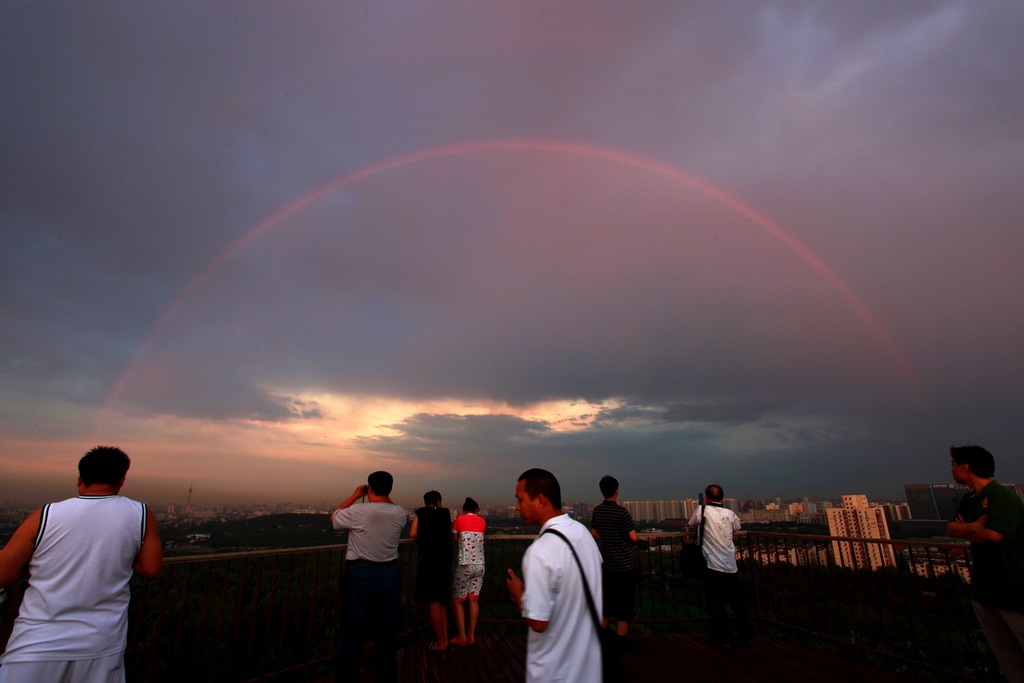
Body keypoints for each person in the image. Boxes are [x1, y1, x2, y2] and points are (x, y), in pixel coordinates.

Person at [0, 445, 163, 683]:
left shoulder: (46, 514)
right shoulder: (139, 513)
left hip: (37, 643)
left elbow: (3, 572)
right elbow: (150, 568)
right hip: (101, 644)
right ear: (122, 479)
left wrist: (31, 566)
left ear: (80, 478)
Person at [505, 469, 603, 683]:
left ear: (540, 500)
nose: (517, 507)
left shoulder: (540, 551)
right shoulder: (582, 533)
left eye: (520, 500)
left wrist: (519, 596)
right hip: (591, 671)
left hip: (554, 674)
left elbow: (539, 623)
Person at [947, 445, 1024, 682]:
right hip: (985, 592)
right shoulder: (970, 500)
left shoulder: (1002, 496)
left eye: (953, 464)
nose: (951, 469)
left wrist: (965, 531)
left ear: (965, 466)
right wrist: (973, 528)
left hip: (1015, 592)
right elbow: (951, 528)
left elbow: (993, 535)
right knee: (1009, 662)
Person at [331, 471, 407, 683]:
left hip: (360, 574)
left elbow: (334, 518)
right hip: (390, 574)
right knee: (386, 633)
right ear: (390, 490)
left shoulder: (359, 510)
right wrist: (382, 495)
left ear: (369, 488)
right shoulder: (400, 513)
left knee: (352, 633)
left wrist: (356, 495)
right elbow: (391, 506)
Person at [687, 483, 754, 648]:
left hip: (710, 565)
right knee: (738, 601)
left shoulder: (702, 511)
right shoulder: (730, 513)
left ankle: (723, 638)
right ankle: (747, 635)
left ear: (707, 497)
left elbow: (691, 524)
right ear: (722, 498)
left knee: (716, 602)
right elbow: (737, 527)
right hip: (730, 565)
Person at [591, 475, 640, 641]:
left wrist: (608, 537)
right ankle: (621, 639)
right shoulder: (622, 512)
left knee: (607, 601)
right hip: (626, 566)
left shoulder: (597, 510)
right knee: (624, 603)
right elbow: (633, 538)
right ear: (616, 491)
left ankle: (603, 636)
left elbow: (595, 532)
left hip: (608, 565)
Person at [410, 490, 453, 651]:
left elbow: (413, 533)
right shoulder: (446, 513)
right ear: (439, 502)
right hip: (445, 561)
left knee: (433, 601)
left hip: (429, 562)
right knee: (442, 601)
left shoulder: (421, 513)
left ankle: (440, 642)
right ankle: (445, 640)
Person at [451, 497, 486, 646]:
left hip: (465, 565)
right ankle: (472, 635)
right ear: (477, 510)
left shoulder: (459, 519)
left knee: (458, 600)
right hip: (480, 565)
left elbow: (455, 538)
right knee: (473, 599)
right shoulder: (482, 521)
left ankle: (462, 636)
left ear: (464, 510)